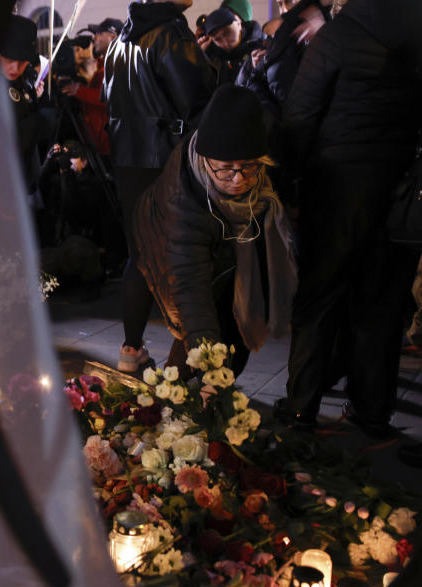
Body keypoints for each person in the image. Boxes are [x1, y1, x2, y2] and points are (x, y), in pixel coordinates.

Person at [276, 0, 422, 434]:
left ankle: (302, 405)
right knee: (381, 303)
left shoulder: (340, 36)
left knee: (319, 296)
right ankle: (372, 411)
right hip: (399, 187)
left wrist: (289, 183)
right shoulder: (420, 39)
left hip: (337, 187)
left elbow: (301, 113)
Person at [131, 84, 297, 379]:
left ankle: (205, 389)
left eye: (248, 167)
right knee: (196, 329)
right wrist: (210, 366)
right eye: (225, 169)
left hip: (231, 250)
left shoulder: (268, 158)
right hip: (170, 248)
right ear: (206, 162)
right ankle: (171, 396)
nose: (238, 178)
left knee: (235, 336)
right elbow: (189, 290)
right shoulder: (181, 200)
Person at [102, 0, 216, 373]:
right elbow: (198, 99)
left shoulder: (122, 37)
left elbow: (109, 98)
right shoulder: (169, 30)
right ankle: (195, 362)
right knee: (180, 256)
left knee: (140, 253)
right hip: (165, 160)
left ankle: (131, 348)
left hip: (127, 159)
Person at [0, 15, 48, 197]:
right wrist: (41, 120)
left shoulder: (23, 80)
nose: (15, 67)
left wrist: (35, 98)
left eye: (22, 61)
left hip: (26, 179)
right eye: (8, 59)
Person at [202, 7, 266, 86]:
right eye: (217, 39)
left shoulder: (260, 48)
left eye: (228, 33)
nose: (225, 43)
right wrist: (199, 56)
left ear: (239, 24)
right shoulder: (211, 57)